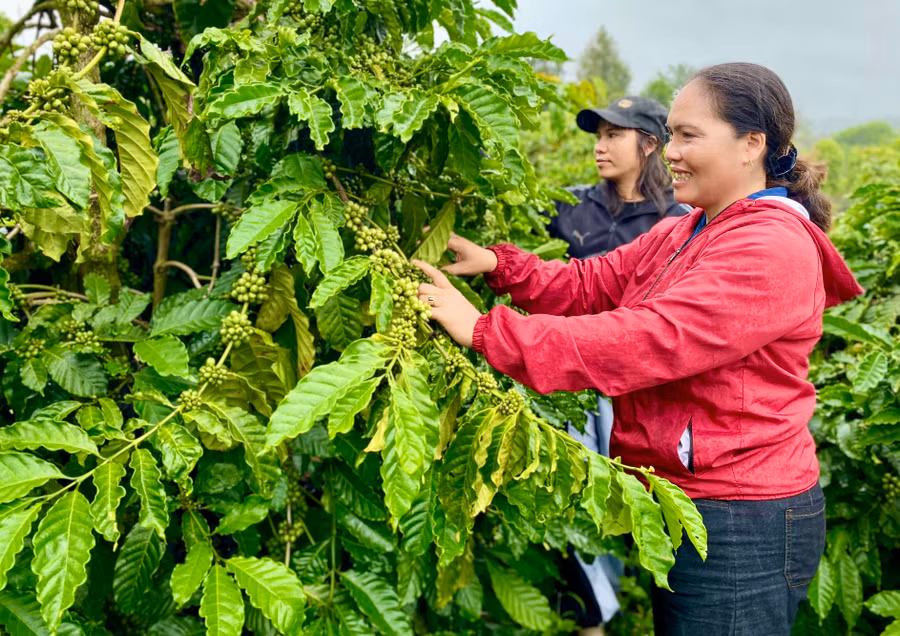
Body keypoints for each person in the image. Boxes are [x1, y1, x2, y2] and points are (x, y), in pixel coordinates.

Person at [412, 62, 863, 635]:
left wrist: (486, 330)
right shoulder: (689, 227)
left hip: (741, 518)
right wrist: (501, 265)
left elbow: (647, 339)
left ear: (752, 144)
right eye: (671, 133)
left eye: (689, 135)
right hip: (689, 500)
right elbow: (593, 283)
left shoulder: (771, 248)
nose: (670, 151)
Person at [550, 95, 689, 631]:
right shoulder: (570, 206)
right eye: (598, 134)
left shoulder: (675, 219)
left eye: (614, 134)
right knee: (582, 502)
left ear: (649, 144)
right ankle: (592, 619)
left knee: (641, 507)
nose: (600, 145)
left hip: (638, 387)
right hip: (572, 382)